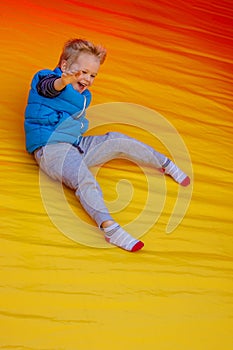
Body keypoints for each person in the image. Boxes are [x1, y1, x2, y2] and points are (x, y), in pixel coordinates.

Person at [24, 38, 190, 252]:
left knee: (116, 140)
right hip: (51, 148)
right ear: (65, 66)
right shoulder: (47, 78)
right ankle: (110, 228)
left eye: (93, 75)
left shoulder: (85, 96)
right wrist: (62, 81)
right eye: (83, 72)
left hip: (75, 145)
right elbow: (49, 89)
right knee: (84, 178)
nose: (88, 79)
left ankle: (164, 163)